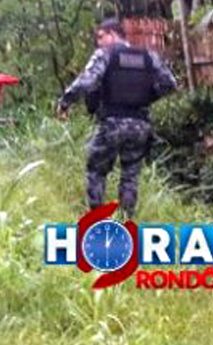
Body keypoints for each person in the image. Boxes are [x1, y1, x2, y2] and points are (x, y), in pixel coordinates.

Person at [57, 17, 177, 217]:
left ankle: (96, 219)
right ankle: (126, 220)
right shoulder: (148, 56)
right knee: (130, 175)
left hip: (111, 123)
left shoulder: (105, 55)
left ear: (113, 34)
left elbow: (87, 82)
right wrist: (147, 98)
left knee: (96, 170)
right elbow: (170, 84)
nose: (99, 42)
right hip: (140, 125)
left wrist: (65, 101)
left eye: (101, 37)